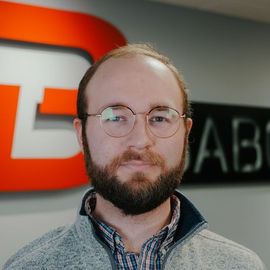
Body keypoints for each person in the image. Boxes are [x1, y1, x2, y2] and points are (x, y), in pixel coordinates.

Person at [4, 43, 266, 270]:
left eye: (160, 117)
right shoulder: (28, 265)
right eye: (115, 117)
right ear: (81, 134)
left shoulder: (241, 265)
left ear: (185, 134)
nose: (141, 140)